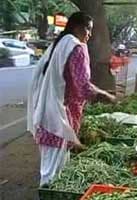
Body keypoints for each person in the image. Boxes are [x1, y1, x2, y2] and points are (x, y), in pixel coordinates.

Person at [27, 12, 116, 186]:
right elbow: (83, 87)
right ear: (76, 27)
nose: (89, 34)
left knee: (50, 168)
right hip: (58, 117)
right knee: (53, 173)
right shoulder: (76, 47)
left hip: (48, 112)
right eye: (87, 29)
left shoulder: (59, 44)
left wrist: (99, 91)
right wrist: (105, 96)